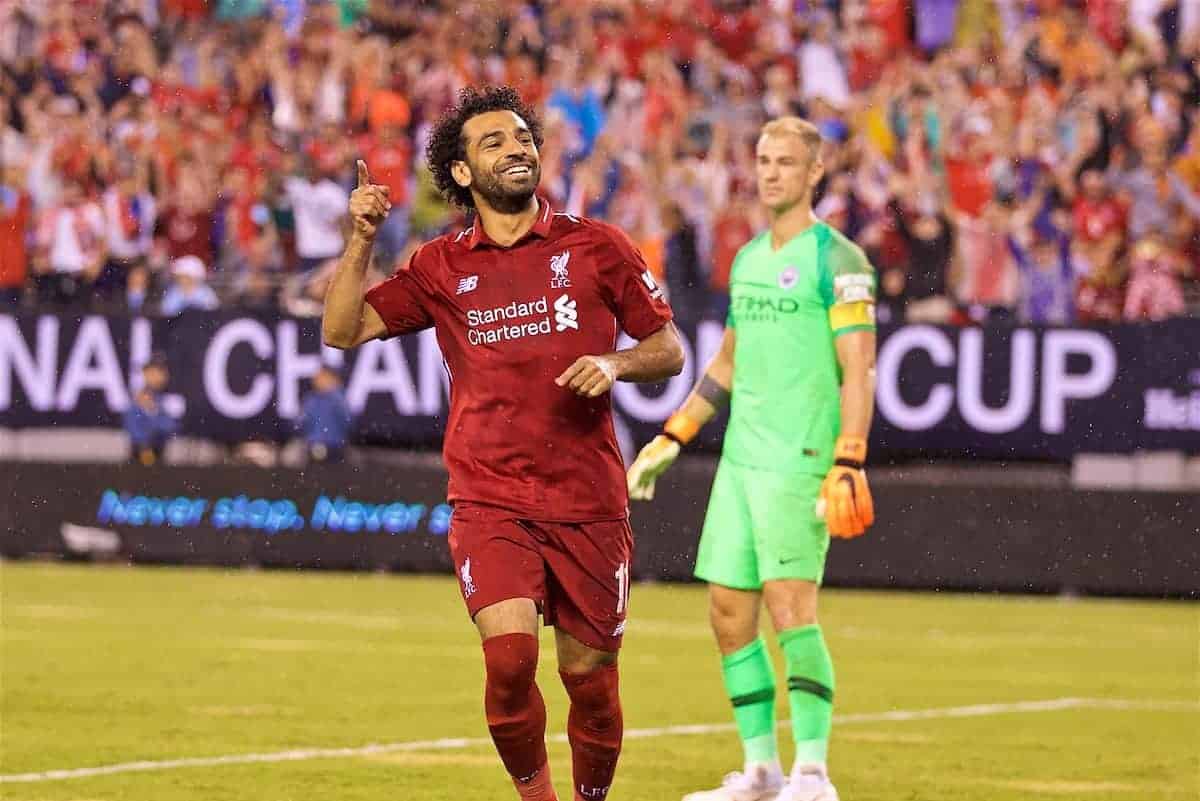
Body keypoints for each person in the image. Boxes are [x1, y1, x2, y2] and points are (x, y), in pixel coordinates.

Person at [321, 86, 684, 801]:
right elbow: (342, 329)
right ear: (461, 174)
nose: (516, 148)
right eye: (494, 142)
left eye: (522, 138)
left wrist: (615, 362)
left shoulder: (598, 245)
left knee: (590, 681)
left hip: (587, 499)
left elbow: (667, 348)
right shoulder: (440, 265)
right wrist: (361, 237)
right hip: (490, 497)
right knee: (511, 659)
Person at [627, 117, 878, 801]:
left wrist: (847, 457)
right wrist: (672, 436)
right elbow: (728, 363)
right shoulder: (745, 259)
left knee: (792, 608)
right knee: (727, 611)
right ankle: (763, 770)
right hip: (740, 461)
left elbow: (860, 370)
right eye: (763, 160)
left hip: (800, 456)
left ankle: (814, 773)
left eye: (785, 161)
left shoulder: (841, 261)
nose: (770, 172)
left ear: (814, 172)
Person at [125, 357, 178, 466]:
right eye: (155, 372)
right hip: (140, 452)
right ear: (146, 374)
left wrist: (153, 412)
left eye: (162, 372)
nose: (161, 377)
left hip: (158, 451)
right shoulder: (138, 400)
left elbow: (170, 428)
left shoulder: (162, 400)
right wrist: (144, 444)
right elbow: (132, 427)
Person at [298, 366, 353, 463]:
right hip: (313, 447)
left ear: (332, 379)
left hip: (335, 448)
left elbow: (348, 422)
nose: (317, 379)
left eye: (322, 376)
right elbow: (301, 423)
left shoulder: (339, 398)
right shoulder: (311, 399)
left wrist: (334, 393)